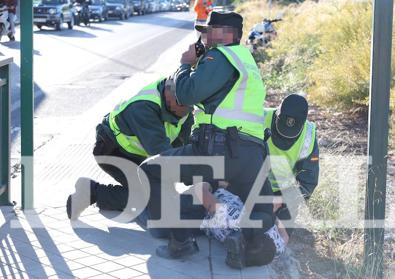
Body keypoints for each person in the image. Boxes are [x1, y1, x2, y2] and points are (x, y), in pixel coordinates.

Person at [138, 11, 275, 268]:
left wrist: (185, 63)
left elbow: (187, 93)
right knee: (263, 210)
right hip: (251, 156)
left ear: (225, 33)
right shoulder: (247, 62)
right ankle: (245, 240)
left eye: (208, 30)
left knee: (150, 170)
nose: (203, 36)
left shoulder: (219, 56)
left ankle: (180, 242)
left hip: (217, 151)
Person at [66, 77, 193, 237]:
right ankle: (91, 192)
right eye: (185, 105)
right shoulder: (144, 108)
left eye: (191, 105)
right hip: (112, 151)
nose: (189, 110)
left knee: (166, 198)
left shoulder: (184, 107)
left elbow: (183, 151)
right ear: (168, 96)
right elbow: (164, 158)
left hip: (139, 156)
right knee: (146, 199)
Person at [194, 182, 288, 266]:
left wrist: (210, 183)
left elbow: (200, 190)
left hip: (216, 194)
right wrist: (273, 216)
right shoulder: (273, 249)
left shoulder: (228, 221)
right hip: (235, 197)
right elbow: (285, 237)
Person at [264, 94, 319, 235]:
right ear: (277, 115)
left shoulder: (308, 135)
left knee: (279, 232)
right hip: (252, 184)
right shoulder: (260, 119)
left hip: (284, 193)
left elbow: (308, 182)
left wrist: (282, 199)